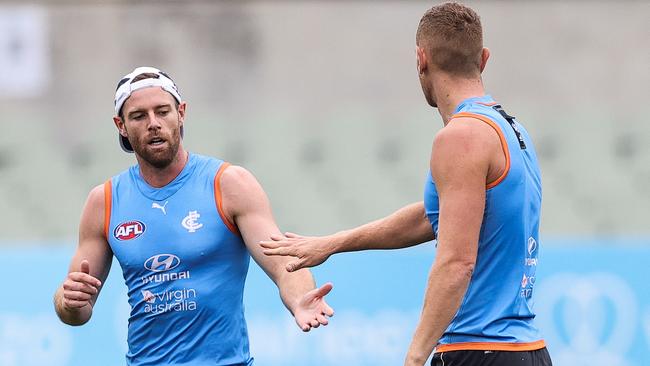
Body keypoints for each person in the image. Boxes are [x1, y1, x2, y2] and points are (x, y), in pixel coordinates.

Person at [261, 2, 552, 366]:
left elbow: (457, 262)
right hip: (527, 351)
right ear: (484, 58)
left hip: (479, 350)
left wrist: (414, 357)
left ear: (421, 59)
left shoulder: (460, 137)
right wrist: (333, 243)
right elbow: (436, 216)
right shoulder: (511, 128)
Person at [53, 66, 334, 366]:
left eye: (163, 111)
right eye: (139, 116)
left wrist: (300, 297)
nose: (153, 124)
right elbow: (77, 311)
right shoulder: (105, 202)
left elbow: (284, 264)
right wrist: (67, 302)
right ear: (121, 125)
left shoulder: (228, 184)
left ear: (181, 113)